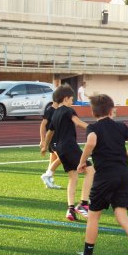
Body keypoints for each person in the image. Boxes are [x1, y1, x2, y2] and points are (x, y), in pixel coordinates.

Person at [71, 93, 128, 255]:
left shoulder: (94, 128)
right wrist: (125, 157)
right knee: (121, 214)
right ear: (111, 110)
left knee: (93, 215)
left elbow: (91, 143)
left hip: (105, 176)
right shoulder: (120, 126)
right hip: (123, 174)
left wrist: (82, 162)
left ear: (93, 112)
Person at [41, 84, 94, 221]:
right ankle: (83, 204)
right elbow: (78, 122)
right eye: (71, 99)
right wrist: (95, 128)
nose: (72, 102)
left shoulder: (55, 114)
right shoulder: (68, 110)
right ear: (65, 99)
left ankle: (70, 210)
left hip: (60, 149)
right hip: (70, 146)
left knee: (73, 177)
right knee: (91, 171)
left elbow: (49, 133)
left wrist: (44, 147)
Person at [39, 100, 62, 189]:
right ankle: (47, 175)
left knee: (52, 160)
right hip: (53, 140)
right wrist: (42, 140)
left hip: (58, 139)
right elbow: (42, 125)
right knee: (63, 157)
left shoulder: (59, 110)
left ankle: (49, 181)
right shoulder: (50, 110)